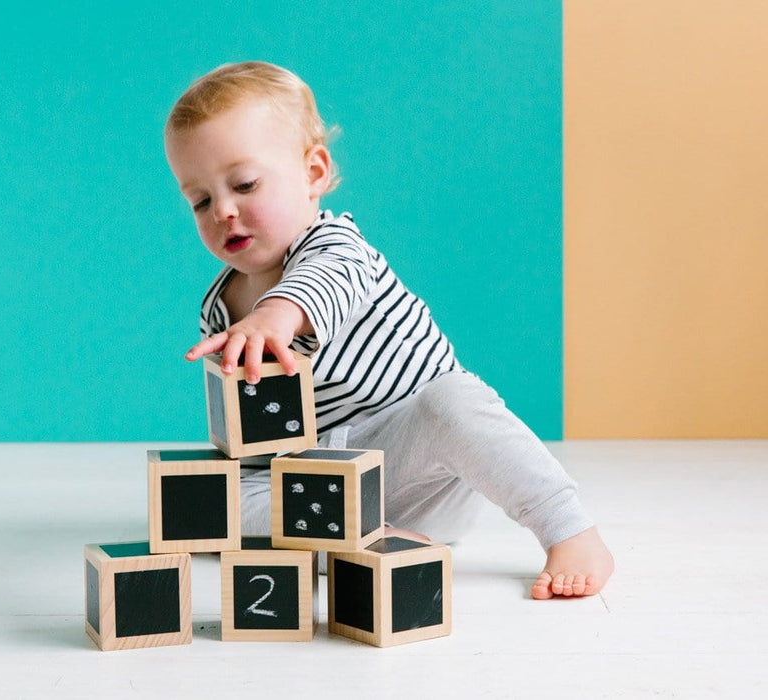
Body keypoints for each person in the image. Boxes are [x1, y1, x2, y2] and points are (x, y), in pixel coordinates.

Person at [164, 61, 613, 599]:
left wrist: (274, 316)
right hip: (318, 480)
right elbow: (251, 432)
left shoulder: (337, 247)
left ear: (313, 174)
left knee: (454, 401)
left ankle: (567, 526)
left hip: (414, 457)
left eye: (244, 184)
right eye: (201, 200)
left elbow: (318, 287)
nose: (225, 211)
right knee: (208, 500)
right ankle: (360, 538)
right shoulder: (220, 310)